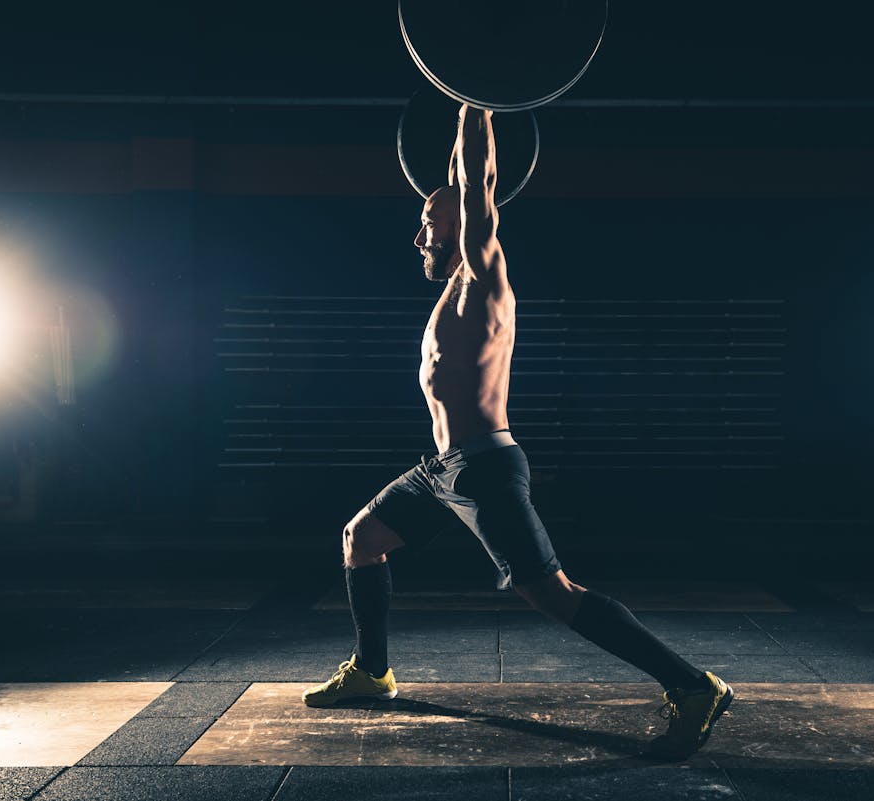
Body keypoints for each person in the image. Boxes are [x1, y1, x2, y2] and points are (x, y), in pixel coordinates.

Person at [302, 104, 732, 760]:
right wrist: (454, 101)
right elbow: (456, 174)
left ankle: (692, 684)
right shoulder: (453, 291)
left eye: (428, 223)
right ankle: (373, 670)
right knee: (360, 538)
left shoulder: (483, 277)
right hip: (440, 468)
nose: (419, 236)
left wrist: (477, 97)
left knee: (550, 593)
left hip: (484, 468)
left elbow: (476, 180)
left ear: (462, 226)